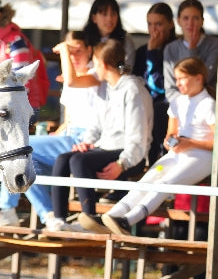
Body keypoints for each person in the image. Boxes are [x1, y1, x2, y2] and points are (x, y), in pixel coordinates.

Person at [0, 30, 104, 229]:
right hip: (69, 137)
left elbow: (73, 80)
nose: (73, 56)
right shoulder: (70, 79)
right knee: (28, 162)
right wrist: (57, 134)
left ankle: (6, 208)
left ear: (90, 50)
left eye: (77, 50)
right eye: (70, 51)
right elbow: (68, 120)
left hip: (88, 139)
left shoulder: (95, 74)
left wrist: (64, 50)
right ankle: (49, 215)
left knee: (22, 148)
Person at [99, 57, 218, 235]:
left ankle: (128, 221)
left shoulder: (209, 104)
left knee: (165, 183)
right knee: (149, 178)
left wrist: (190, 143)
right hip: (179, 154)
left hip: (201, 155)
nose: (177, 83)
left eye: (181, 78)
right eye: (176, 79)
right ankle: (110, 216)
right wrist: (171, 141)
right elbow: (171, 132)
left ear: (198, 78)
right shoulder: (178, 101)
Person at [47, 39, 153, 232]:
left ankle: (89, 219)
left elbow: (138, 137)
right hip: (106, 147)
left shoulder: (132, 89)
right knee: (64, 159)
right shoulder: (107, 88)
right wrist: (87, 142)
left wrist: (122, 164)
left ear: (103, 65)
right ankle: (59, 219)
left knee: (79, 162)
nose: (93, 68)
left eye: (95, 63)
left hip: (127, 154)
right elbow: (97, 125)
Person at [134, 2, 177, 166]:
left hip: (167, 105)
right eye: (150, 24)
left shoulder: (174, 49)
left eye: (159, 24)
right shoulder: (141, 51)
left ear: (170, 24)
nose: (154, 29)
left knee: (158, 112)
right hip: (146, 104)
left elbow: (161, 86)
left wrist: (152, 53)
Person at [163, 0, 218, 102]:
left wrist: (192, 49)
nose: (190, 23)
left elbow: (202, 79)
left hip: (206, 101)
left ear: (202, 21)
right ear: (178, 21)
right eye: (186, 18)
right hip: (179, 104)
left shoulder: (214, 45)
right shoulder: (170, 49)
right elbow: (170, 89)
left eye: (195, 18)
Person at [82, 0, 136, 65]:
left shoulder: (125, 39)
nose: (109, 19)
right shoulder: (83, 39)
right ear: (94, 18)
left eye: (113, 14)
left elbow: (128, 67)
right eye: (104, 14)